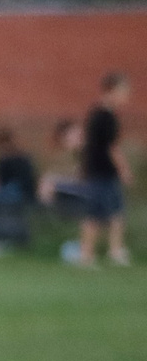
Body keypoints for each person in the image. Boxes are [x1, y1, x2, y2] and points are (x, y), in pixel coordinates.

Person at [61, 73, 132, 267]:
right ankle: (87, 254)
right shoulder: (104, 116)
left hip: (102, 172)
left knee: (116, 212)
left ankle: (115, 251)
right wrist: (124, 169)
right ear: (111, 90)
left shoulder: (98, 114)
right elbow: (111, 147)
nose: (126, 95)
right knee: (95, 215)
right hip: (100, 172)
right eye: (123, 91)